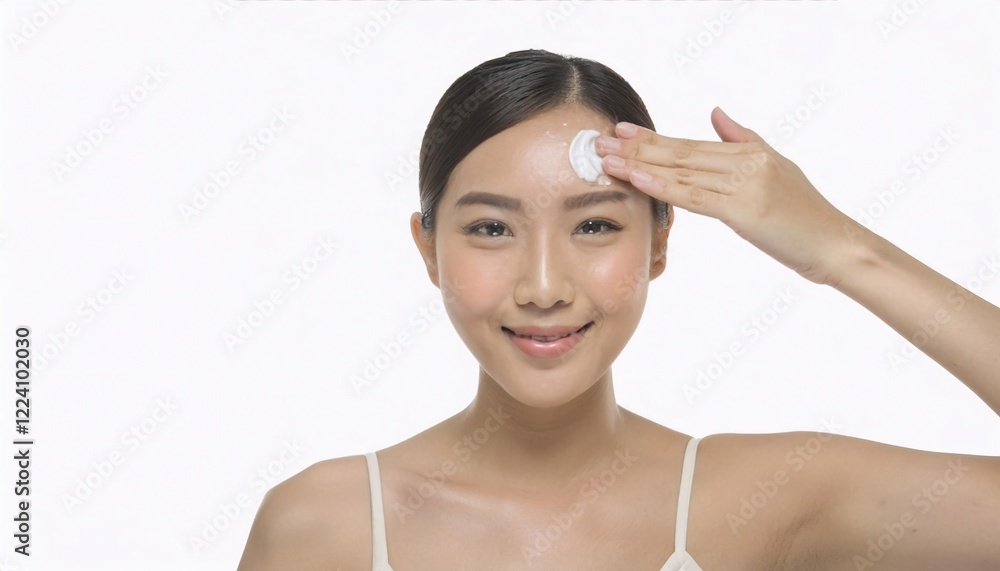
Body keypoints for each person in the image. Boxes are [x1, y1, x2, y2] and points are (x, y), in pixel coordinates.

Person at [237, 49, 1000, 570]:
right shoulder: (322, 525)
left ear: (659, 246)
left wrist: (840, 249)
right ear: (429, 249)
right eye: (491, 228)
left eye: (595, 224)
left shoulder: (770, 496)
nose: (543, 285)